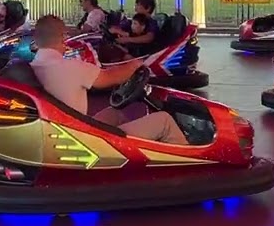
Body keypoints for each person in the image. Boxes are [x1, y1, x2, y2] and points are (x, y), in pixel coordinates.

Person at [31, 15, 187, 144]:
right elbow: (111, 77)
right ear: (63, 38)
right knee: (164, 121)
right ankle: (187, 166)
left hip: (60, 131)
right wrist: (136, 64)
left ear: (37, 41)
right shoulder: (71, 67)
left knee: (115, 113)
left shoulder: (33, 66)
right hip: (81, 140)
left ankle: (133, 155)